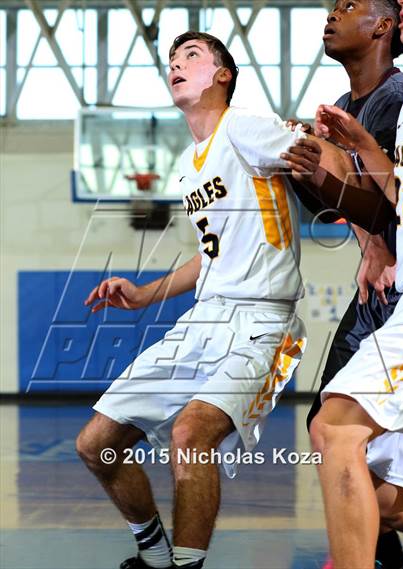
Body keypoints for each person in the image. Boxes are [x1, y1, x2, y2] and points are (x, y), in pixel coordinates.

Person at [76, 31, 313, 569]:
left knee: (190, 435)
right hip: (202, 319)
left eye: (192, 56)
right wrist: (144, 294)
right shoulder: (188, 164)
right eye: (172, 60)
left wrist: (368, 228)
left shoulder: (245, 127)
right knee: (95, 443)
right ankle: (156, 555)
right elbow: (210, 257)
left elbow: (310, 150)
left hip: (261, 324)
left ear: (222, 75)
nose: (176, 66)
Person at [287, 0, 403, 566]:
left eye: (348, 6)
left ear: (383, 27)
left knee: (336, 431)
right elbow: (397, 195)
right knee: (376, 477)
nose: (331, 14)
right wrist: (345, 153)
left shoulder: (398, 92)